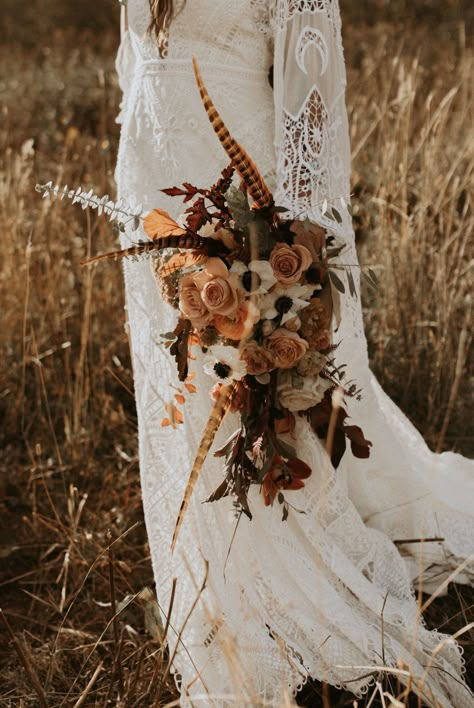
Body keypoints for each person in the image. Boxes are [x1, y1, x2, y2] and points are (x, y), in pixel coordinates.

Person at [115, 1, 474, 705]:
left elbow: (311, 93)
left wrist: (298, 235)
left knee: (249, 377)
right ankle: (201, 561)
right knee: (179, 376)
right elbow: (136, 62)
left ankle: (277, 565)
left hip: (238, 176)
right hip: (154, 179)